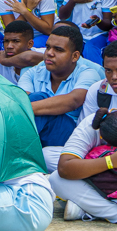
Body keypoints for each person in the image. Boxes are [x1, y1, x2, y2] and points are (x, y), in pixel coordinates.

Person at [18, 25, 102, 169]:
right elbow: (18, 99)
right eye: (48, 47)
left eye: (58, 50)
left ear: (75, 56)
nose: (49, 53)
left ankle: (15, 154)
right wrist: (24, 107)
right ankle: (21, 155)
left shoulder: (88, 73)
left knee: (38, 98)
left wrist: (26, 108)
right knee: (36, 99)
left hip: (70, 134)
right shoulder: (34, 72)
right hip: (39, 133)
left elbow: (73, 101)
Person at [50, 111, 117, 223]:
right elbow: (64, 168)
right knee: (56, 179)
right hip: (99, 183)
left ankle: (86, 210)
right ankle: (112, 213)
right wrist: (110, 161)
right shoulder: (91, 126)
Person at [0, 20, 36, 84]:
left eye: (16, 41)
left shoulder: (42, 56)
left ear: (30, 44)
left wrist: (4, 61)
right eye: (6, 41)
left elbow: (29, 58)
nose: (9, 46)